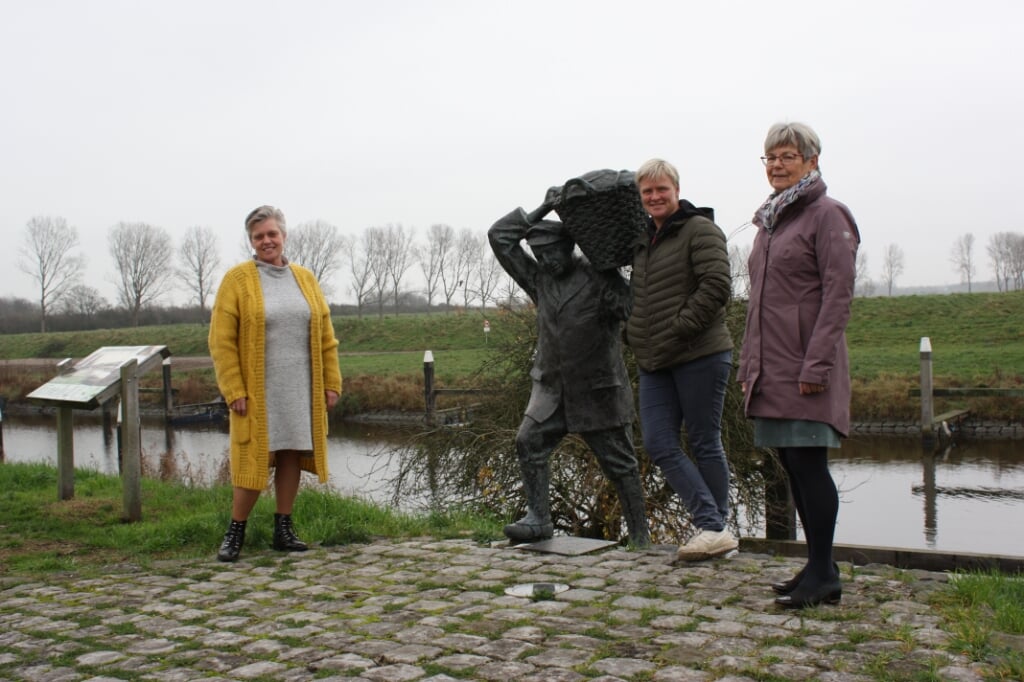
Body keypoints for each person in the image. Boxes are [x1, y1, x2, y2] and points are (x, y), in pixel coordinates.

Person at [738, 122, 860, 609]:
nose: (777, 165)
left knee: (810, 466)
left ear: (812, 161)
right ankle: (819, 568)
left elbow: (838, 297)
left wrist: (818, 365)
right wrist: (751, 367)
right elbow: (760, 306)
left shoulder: (828, 216)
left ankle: (823, 571)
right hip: (771, 368)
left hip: (809, 368)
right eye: (770, 157)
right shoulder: (769, 223)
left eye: (788, 156)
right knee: (791, 464)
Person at [488, 203, 651, 548]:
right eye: (539, 254)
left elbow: (628, 308)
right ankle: (539, 519)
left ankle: (639, 535)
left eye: (551, 253)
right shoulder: (539, 280)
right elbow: (500, 238)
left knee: (620, 464)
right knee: (528, 442)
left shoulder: (598, 276)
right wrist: (544, 207)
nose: (546, 261)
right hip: (551, 390)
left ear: (568, 246)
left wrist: (625, 269)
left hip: (597, 390)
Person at [209, 205, 342, 562]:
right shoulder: (237, 280)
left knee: (291, 454)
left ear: (283, 236)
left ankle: (283, 528)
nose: (266, 241)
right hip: (258, 390)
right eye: (258, 236)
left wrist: (331, 382)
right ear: (251, 241)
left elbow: (326, 336)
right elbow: (221, 342)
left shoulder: (306, 278)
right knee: (251, 461)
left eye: (272, 234)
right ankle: (236, 529)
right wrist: (233, 389)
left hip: (301, 386)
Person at [626, 159, 737, 562]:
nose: (655, 197)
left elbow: (717, 285)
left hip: (700, 353)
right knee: (658, 443)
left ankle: (712, 528)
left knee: (705, 442)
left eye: (661, 189)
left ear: (676, 189)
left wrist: (680, 328)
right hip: (655, 359)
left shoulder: (700, 230)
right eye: (647, 192)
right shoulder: (643, 240)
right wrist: (633, 333)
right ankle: (714, 527)